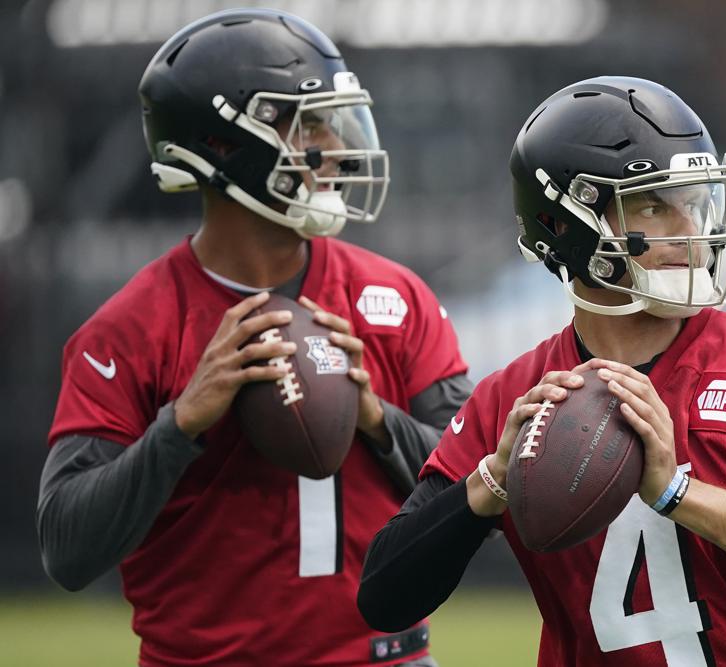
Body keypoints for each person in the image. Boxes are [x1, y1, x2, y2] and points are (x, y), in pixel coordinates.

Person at [358, 77, 726, 666]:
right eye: (655, 206)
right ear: (565, 225)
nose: (689, 231)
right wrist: (492, 480)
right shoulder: (516, 398)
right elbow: (383, 595)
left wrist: (676, 494)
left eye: (691, 202)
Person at [37, 9, 469, 666]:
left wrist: (378, 421)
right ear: (225, 144)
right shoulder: (130, 328)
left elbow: (478, 493)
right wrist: (180, 424)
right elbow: (67, 546)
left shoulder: (397, 299)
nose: (336, 144)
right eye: (309, 125)